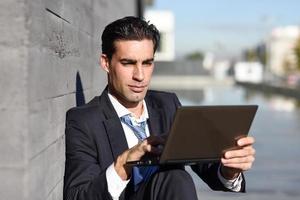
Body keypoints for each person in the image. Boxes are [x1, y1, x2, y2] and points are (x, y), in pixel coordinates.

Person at [63, 16, 256, 200]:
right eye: (128, 63)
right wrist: (123, 164)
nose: (140, 75)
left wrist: (229, 170)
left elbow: (206, 167)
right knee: (175, 177)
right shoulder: (84, 121)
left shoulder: (168, 105)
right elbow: (77, 196)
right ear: (106, 63)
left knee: (175, 178)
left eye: (147, 63)